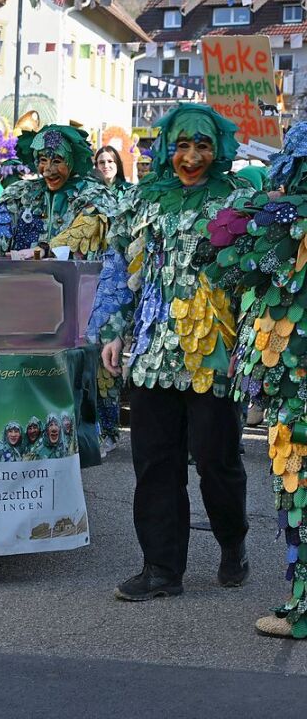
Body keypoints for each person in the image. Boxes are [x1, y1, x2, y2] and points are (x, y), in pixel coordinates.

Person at [92, 103, 253, 602]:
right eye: (182, 146)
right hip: (153, 349)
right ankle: (162, 568)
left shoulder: (238, 199)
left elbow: (253, 277)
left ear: (218, 149)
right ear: (166, 149)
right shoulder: (143, 203)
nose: (191, 156)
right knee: (155, 464)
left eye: (202, 145)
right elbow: (119, 268)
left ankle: (232, 543)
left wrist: (249, 342)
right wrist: (114, 329)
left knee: (215, 460)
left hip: (214, 353)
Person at [203, 123, 307, 637]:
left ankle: (305, 603)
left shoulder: (275, 226)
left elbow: (223, 267)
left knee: (299, 485)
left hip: (296, 384)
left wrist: (245, 216)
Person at [0, 125, 116, 261]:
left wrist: (46, 249)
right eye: (43, 160)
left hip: (76, 284)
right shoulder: (19, 193)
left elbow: (86, 231)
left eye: (57, 161)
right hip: (22, 281)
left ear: (71, 162)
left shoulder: (94, 195)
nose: (48, 170)